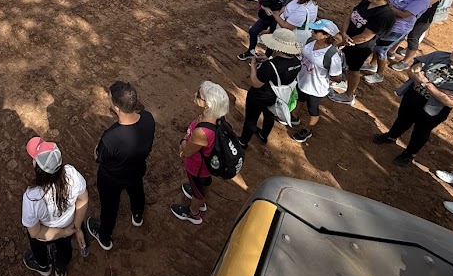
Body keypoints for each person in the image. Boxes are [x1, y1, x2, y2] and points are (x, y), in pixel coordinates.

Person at [373, 41, 453, 166]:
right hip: (413, 96)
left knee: (421, 131)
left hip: (435, 109)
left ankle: (409, 154)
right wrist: (440, 90)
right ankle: (391, 136)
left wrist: (426, 83)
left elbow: (449, 101)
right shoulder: (438, 55)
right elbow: (412, 70)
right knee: (403, 119)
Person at [83, 82, 156, 251]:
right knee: (137, 192)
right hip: (136, 170)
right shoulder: (148, 118)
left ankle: (104, 237)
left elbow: (98, 157)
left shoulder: (111, 137)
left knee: (109, 207)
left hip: (112, 180)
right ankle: (137, 215)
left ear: (117, 108)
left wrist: (97, 148)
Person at [21, 138, 89, 276]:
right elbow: (83, 200)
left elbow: (35, 232)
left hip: (46, 233)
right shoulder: (71, 174)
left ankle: (44, 267)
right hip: (69, 225)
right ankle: (61, 270)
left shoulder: (32, 197)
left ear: (37, 166)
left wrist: (62, 232)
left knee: (38, 247)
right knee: (65, 249)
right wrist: (76, 228)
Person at [166, 81, 231, 225]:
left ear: (208, 104)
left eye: (199, 95)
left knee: (197, 189)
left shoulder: (202, 132)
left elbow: (188, 151)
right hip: (207, 166)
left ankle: (194, 212)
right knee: (205, 181)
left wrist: (183, 141)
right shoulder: (218, 118)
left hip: (197, 167)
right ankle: (201, 200)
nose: (195, 95)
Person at [328, 0, 397, 107]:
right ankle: (343, 81)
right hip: (347, 39)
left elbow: (366, 36)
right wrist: (343, 33)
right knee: (343, 61)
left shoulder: (384, 15)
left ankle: (348, 95)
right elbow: (351, 15)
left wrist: (344, 42)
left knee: (354, 69)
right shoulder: (367, 1)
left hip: (360, 47)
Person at [363, 0, 432, 84]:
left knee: (381, 50)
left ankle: (379, 74)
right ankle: (372, 65)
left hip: (397, 28)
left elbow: (403, 14)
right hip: (385, 22)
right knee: (377, 45)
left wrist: (386, 5)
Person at [238, 29, 302, 147]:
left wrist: (253, 67)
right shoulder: (298, 61)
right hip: (278, 96)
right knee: (269, 115)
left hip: (260, 96)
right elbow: (283, 70)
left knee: (251, 119)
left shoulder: (270, 66)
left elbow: (256, 83)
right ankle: (263, 135)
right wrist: (268, 61)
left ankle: (243, 141)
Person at [240, 0, 318, 60]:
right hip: (273, 17)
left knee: (274, 39)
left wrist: (276, 15)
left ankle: (267, 56)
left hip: (278, 22)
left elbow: (287, 25)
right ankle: (252, 51)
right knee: (254, 31)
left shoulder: (301, 7)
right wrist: (266, 7)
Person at [291, 20, 344, 143]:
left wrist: (322, 74)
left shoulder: (332, 55)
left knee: (312, 109)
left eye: (316, 31)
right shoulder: (310, 41)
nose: (312, 32)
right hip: (302, 79)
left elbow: (337, 77)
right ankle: (295, 116)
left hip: (317, 88)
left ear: (326, 35)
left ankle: (308, 129)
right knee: (300, 98)